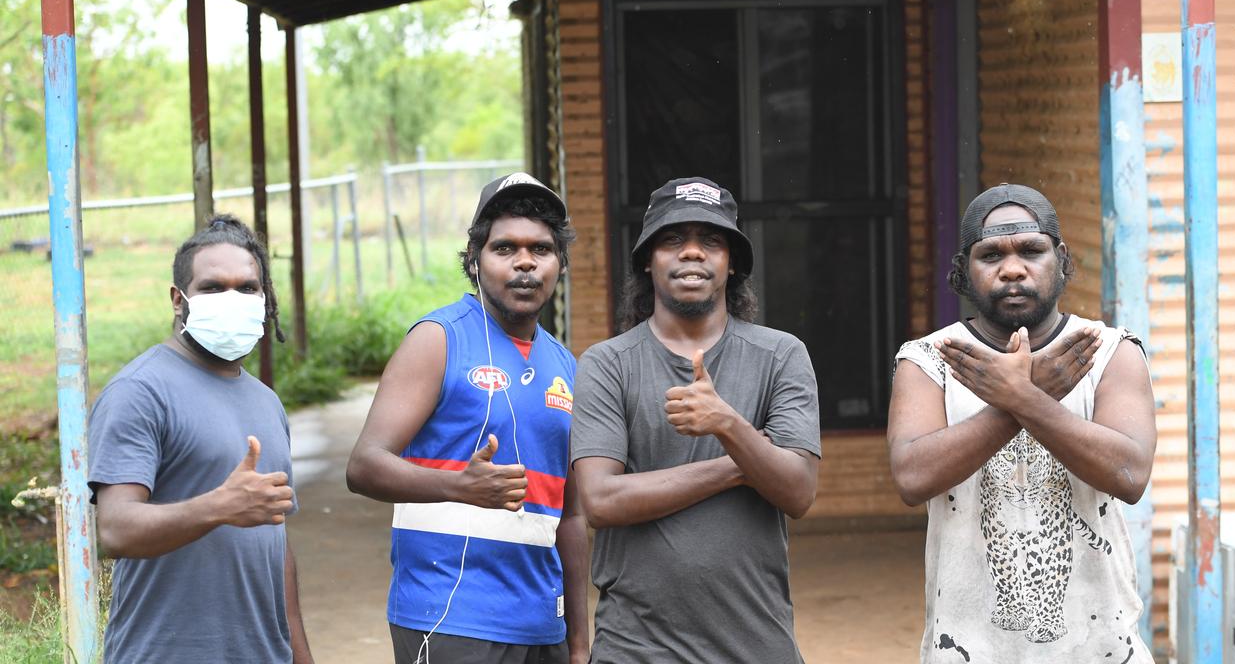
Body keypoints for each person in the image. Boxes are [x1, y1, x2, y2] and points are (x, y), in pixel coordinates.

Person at [887, 184, 1156, 663]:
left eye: (1031, 250)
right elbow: (912, 477)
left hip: (1099, 649)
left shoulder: (1108, 351)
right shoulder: (929, 359)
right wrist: (1021, 402)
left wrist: (1025, 399)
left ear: (1061, 258)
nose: (1013, 269)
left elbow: (1130, 476)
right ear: (964, 271)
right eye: (991, 255)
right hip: (969, 649)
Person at [571, 176, 821, 663]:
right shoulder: (606, 363)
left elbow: (797, 491)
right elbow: (601, 501)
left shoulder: (781, 355)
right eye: (671, 240)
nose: (691, 253)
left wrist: (726, 423)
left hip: (755, 645)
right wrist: (741, 463)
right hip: (636, 648)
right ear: (648, 260)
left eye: (710, 240)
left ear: (732, 264)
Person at [346, 172, 587, 664]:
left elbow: (574, 515)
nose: (524, 262)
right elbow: (364, 465)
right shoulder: (439, 339)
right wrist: (460, 485)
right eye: (504, 249)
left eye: (541, 249)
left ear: (559, 264)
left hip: (543, 625)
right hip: (450, 618)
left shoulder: (565, 365)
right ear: (475, 261)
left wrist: (579, 641)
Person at [87, 214, 312, 663]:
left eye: (247, 288)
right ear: (179, 299)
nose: (233, 299)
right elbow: (114, 530)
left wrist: (300, 656)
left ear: (265, 299)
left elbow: (274, 541)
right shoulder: (139, 392)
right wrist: (219, 506)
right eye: (213, 287)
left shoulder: (267, 403)